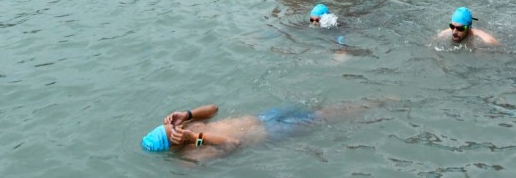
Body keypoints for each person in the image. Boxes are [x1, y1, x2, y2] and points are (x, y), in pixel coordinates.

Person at [142, 102, 363, 158]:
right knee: (323, 117)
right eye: (174, 131)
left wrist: (187, 114)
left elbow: (214, 109)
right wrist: (194, 138)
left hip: (261, 116)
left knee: (315, 109)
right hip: (270, 131)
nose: (178, 128)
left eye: (173, 126)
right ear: (174, 144)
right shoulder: (192, 155)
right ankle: (368, 107)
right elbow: (233, 144)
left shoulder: (187, 125)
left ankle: (364, 105)